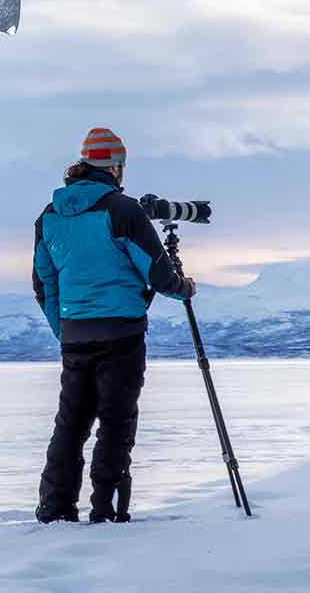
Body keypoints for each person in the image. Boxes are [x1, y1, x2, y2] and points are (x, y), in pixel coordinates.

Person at [31, 126, 196, 524]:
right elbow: (158, 276)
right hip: (121, 332)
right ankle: (105, 509)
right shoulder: (123, 211)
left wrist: (65, 329)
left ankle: (55, 509)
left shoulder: (49, 216)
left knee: (70, 424)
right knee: (116, 422)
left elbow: (44, 282)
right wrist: (184, 286)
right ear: (116, 167)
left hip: (75, 335)